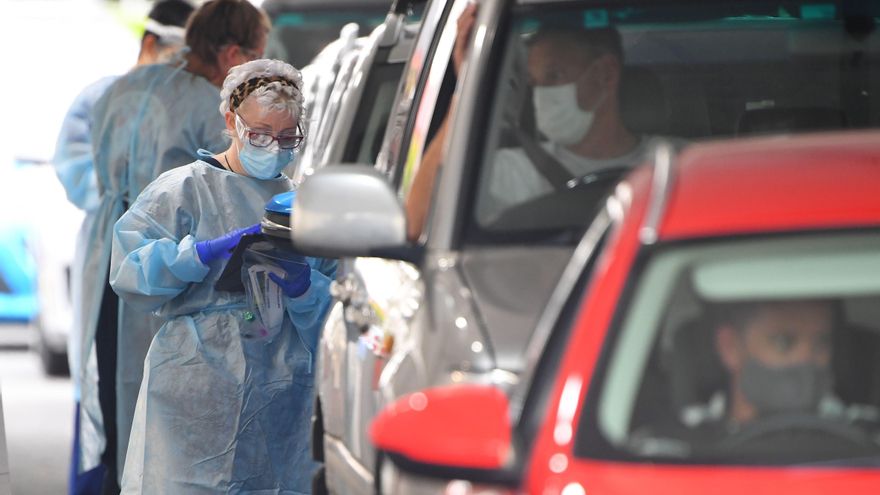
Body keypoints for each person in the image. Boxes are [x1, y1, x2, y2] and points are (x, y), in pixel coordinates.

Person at [109, 58, 335, 494]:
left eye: (288, 137)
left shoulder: (305, 205)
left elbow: (338, 313)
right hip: (192, 388)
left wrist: (306, 287)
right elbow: (129, 273)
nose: (274, 147)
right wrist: (199, 254)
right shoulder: (182, 190)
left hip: (280, 392)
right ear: (231, 121)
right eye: (261, 134)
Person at [80, 1, 268, 491]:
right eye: (257, 59)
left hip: (109, 264)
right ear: (232, 55)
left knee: (117, 399)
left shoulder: (120, 90)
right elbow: (234, 203)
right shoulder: (210, 109)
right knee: (168, 421)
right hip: (175, 281)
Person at [53, 2, 194, 493]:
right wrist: (135, 205)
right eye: (175, 52)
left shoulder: (191, 99)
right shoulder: (103, 96)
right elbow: (75, 173)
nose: (180, 65)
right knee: (107, 377)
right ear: (151, 43)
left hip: (164, 259)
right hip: (112, 251)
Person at [405, 5, 660, 240]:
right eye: (534, 83)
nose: (540, 96)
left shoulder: (677, 167)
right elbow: (416, 225)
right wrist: (464, 89)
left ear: (606, 74)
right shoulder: (504, 173)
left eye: (553, 75)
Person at [714, 300, 836, 425]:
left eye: (821, 343)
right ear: (730, 346)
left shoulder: (850, 432)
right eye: (782, 342)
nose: (806, 360)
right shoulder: (697, 439)